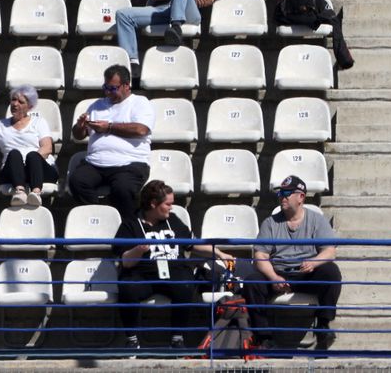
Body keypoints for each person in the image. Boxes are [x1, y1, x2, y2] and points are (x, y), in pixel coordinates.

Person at [115, 180, 237, 352]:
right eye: (168, 204)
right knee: (127, 288)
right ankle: (132, 339)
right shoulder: (131, 224)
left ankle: (177, 338)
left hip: (173, 271)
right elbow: (125, 262)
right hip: (143, 273)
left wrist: (219, 253)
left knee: (186, 285)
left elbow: (192, 244)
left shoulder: (173, 221)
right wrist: (138, 250)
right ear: (153, 204)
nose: (172, 208)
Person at [240, 175, 341, 351]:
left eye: (287, 193)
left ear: (301, 197)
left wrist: (314, 262)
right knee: (252, 281)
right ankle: (264, 337)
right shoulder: (270, 223)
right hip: (279, 273)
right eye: (281, 193)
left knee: (331, 272)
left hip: (306, 274)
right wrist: (273, 277)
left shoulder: (317, 220)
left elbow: (330, 251)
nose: (282, 197)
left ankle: (323, 326)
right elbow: (260, 256)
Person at [70, 66, 155, 225]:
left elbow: (141, 129)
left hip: (129, 163)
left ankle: (129, 228)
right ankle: (99, 221)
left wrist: (109, 127)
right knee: (77, 181)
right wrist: (80, 126)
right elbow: (78, 135)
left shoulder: (140, 102)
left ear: (126, 86)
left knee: (123, 189)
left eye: (112, 88)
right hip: (95, 163)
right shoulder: (97, 105)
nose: (108, 92)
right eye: (105, 87)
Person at [0, 85, 54, 208]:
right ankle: (19, 192)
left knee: (33, 155)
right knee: (14, 154)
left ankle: (36, 193)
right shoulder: (0, 126)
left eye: (20, 102)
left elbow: (47, 148)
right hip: (12, 171)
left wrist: (29, 163)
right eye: (13, 100)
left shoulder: (39, 122)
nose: (15, 104)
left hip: (38, 169)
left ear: (29, 106)